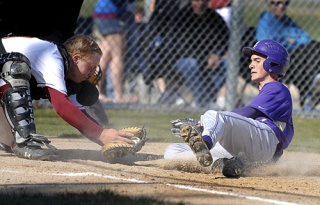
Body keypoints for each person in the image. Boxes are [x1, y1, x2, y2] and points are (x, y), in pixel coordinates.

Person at [164, 39, 294, 178]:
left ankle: (205, 143)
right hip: (252, 149)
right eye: (251, 61)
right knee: (173, 150)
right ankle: (222, 165)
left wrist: (204, 125)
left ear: (272, 64)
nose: (251, 65)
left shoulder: (277, 88)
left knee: (216, 115)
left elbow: (249, 113)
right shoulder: (268, 90)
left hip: (266, 142)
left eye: (257, 60)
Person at [0, 34, 136, 160]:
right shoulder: (52, 55)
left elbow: (79, 115)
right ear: (76, 58)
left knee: (7, 140)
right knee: (15, 67)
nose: (92, 73)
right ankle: (25, 142)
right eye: (90, 67)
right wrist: (100, 133)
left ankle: (8, 140)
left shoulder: (68, 77)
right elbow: (62, 106)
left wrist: (108, 138)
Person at [256, 0, 320, 110]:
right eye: (277, 3)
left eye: (285, 3)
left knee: (315, 45)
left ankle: (313, 82)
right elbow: (264, 41)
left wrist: (288, 41)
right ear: (269, 4)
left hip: (298, 59)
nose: (281, 6)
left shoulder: (288, 21)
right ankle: (313, 84)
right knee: (307, 52)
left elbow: (306, 38)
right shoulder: (266, 19)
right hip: (277, 61)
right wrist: (288, 40)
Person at [168, 0, 230, 108]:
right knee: (191, 64)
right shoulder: (181, 17)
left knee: (227, 64)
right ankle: (203, 103)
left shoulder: (215, 19)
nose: (200, 4)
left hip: (209, 60)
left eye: (204, 1)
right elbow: (180, 47)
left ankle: (206, 99)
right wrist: (205, 59)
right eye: (197, 1)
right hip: (184, 59)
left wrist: (217, 55)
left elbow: (224, 41)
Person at [93, 0, 138, 104]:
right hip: (111, 14)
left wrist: (133, 9)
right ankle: (118, 95)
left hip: (103, 13)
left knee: (106, 54)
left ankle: (96, 91)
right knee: (117, 55)